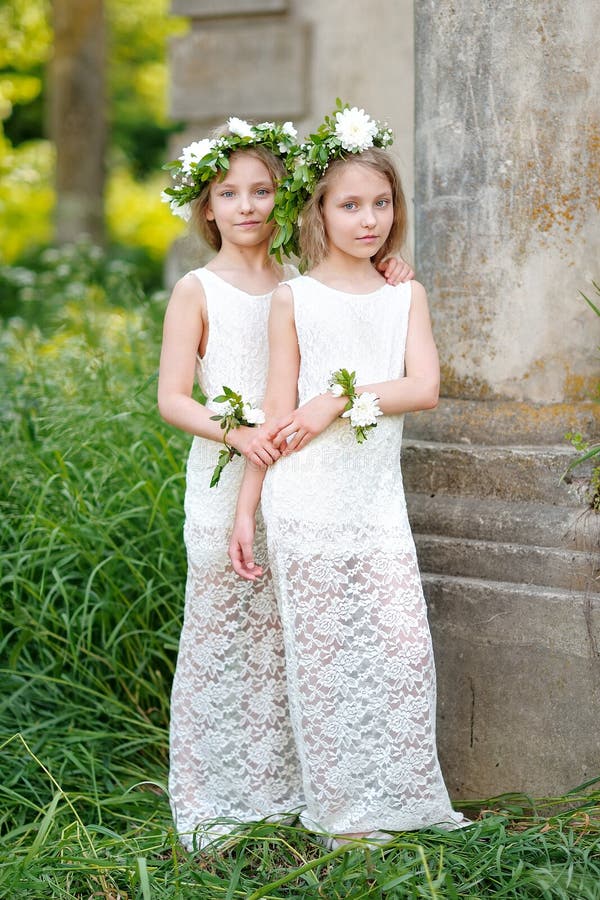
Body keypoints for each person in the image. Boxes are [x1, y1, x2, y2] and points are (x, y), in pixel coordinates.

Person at [157, 116, 414, 850]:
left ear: (284, 198)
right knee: (225, 634)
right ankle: (218, 793)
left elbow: (345, 325)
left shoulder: (303, 284)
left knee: (287, 641)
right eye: (228, 193)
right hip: (226, 475)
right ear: (206, 207)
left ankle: (288, 790)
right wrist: (236, 433)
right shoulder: (197, 288)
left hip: (304, 482)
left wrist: (391, 273)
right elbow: (173, 397)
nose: (246, 206)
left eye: (261, 189)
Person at [230, 105, 467, 847]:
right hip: (304, 500)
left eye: (382, 204)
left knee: (398, 649)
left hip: (374, 502)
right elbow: (274, 413)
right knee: (325, 659)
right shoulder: (293, 297)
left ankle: (398, 800)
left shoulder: (406, 294)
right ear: (320, 212)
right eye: (350, 205)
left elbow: (423, 386)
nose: (369, 220)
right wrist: (247, 509)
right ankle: (345, 816)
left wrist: (337, 397)